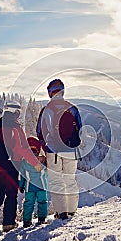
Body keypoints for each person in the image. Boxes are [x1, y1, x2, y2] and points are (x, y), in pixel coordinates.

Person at [0, 102, 41, 232]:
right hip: (12, 164)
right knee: (11, 194)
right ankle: (8, 223)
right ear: (14, 111)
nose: (19, 114)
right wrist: (35, 163)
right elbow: (24, 149)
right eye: (18, 112)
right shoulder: (15, 126)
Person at [36, 79, 82, 220]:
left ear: (50, 93)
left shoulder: (46, 109)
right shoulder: (72, 108)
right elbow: (80, 129)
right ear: (62, 90)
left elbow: (39, 131)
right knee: (70, 180)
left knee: (57, 181)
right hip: (70, 150)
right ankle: (72, 210)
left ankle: (61, 213)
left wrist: (46, 147)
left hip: (53, 150)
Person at [19, 137, 48, 228]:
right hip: (41, 186)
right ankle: (42, 219)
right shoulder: (42, 160)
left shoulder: (24, 162)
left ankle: (27, 221)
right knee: (42, 202)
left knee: (28, 203)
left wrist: (21, 186)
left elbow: (22, 175)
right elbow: (47, 170)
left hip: (29, 187)